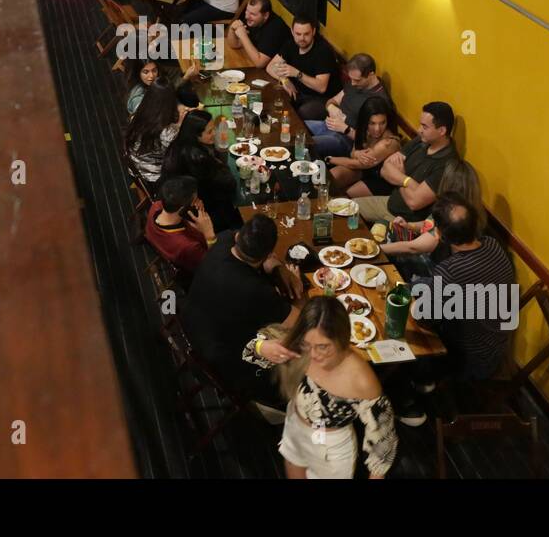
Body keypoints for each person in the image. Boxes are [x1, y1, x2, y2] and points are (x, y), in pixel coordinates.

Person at [244, 296, 399, 479]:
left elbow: (383, 446)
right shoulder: (297, 345)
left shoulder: (361, 380)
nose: (314, 355)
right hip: (296, 425)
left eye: (323, 347)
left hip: (331, 449)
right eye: (307, 345)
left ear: (342, 339)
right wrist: (262, 347)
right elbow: (249, 351)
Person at [179, 216, 302, 406]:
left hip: (190, 326)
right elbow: (299, 322)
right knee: (298, 354)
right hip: (224, 359)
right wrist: (294, 282)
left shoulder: (221, 242)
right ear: (268, 253)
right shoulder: (256, 291)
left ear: (238, 237)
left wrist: (278, 268)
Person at [410, 193, 517, 381]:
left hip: (470, 359)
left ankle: (422, 388)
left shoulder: (449, 271)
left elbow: (425, 319)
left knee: (410, 327)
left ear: (439, 234)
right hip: (495, 347)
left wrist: (414, 303)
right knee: (415, 285)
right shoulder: (493, 244)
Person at [364, 101, 457, 223]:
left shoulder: (447, 164)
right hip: (388, 203)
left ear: (442, 131)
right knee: (345, 209)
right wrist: (409, 182)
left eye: (425, 126)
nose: (419, 130)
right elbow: (385, 168)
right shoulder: (422, 141)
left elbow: (414, 203)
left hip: (405, 221)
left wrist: (401, 177)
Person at [162, 109, 241, 230]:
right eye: (209, 132)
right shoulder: (197, 157)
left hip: (181, 193)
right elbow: (227, 184)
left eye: (214, 128)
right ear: (196, 135)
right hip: (193, 206)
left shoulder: (180, 142)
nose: (214, 133)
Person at [305, 53, 394, 158]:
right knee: (295, 128)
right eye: (351, 79)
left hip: (346, 140)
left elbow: (374, 140)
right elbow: (332, 100)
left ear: (371, 75)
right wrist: (331, 108)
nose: (352, 83)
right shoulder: (355, 83)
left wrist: (346, 129)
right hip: (328, 125)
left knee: (306, 144)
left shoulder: (380, 101)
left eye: (357, 80)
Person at [266, 14, 342, 121]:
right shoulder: (290, 44)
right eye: (298, 34)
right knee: (272, 98)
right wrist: (285, 80)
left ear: (313, 32)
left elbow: (321, 87)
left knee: (301, 113)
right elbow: (270, 67)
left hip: (324, 99)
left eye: (306, 34)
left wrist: (297, 74)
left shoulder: (323, 51)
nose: (302, 38)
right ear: (292, 32)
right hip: (299, 92)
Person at [327, 97, 401, 194]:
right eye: (372, 123)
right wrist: (357, 153)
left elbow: (354, 164)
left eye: (382, 123)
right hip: (365, 170)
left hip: (380, 179)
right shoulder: (364, 129)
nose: (377, 129)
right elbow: (352, 153)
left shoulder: (387, 143)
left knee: (345, 194)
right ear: (365, 120)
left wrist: (328, 159)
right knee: (332, 178)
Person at [144, 175, 215, 274]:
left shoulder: (156, 206)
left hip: (161, 244)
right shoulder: (188, 246)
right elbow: (213, 264)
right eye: (195, 200)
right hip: (196, 265)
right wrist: (209, 235)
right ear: (182, 209)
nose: (198, 202)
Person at [124, 82, 181, 184]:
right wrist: (181, 124)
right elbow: (177, 155)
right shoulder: (168, 131)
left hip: (135, 168)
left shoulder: (137, 114)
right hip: (155, 178)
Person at [227, 0, 288, 67]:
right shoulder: (252, 20)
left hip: (282, 72)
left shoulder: (275, 28)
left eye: (253, 14)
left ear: (265, 15)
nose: (247, 16)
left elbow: (260, 63)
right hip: (260, 65)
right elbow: (235, 44)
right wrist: (231, 29)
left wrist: (243, 36)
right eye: (247, 11)